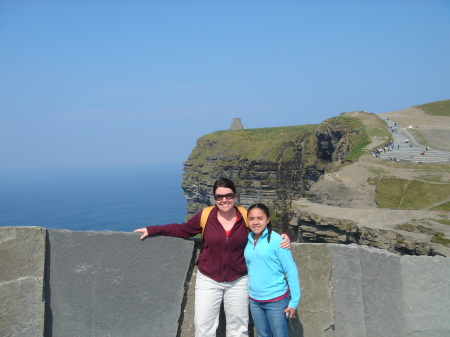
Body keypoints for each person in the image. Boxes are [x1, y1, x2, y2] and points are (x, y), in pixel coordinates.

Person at [134, 178, 290, 337]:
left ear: (235, 196)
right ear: (214, 198)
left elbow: (262, 230)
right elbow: (182, 230)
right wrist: (152, 229)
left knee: (239, 329)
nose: (224, 200)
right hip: (208, 279)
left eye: (228, 195)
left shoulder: (244, 215)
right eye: (219, 197)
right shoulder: (206, 215)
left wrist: (282, 237)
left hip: (238, 280)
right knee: (204, 328)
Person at [244, 203, 300, 337]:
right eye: (251, 219)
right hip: (254, 300)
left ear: (268, 220)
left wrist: (294, 302)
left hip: (276, 300)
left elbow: (291, 271)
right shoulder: (247, 239)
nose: (255, 222)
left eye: (260, 218)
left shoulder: (277, 241)